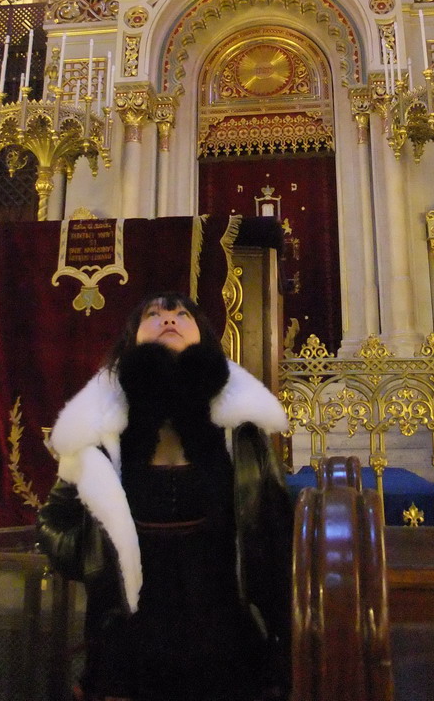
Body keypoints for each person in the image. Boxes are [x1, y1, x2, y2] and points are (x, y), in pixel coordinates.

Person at [37, 292, 293, 701]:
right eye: (153, 314)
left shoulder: (241, 430)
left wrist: (283, 645)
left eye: (181, 314)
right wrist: (95, 554)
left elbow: (276, 531)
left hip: (227, 648)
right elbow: (53, 522)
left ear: (202, 336)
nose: (168, 319)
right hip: (128, 649)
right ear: (132, 339)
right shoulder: (98, 431)